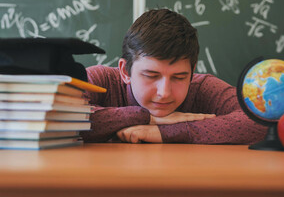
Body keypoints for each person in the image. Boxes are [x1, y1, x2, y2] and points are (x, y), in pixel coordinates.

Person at [80, 9, 267, 144]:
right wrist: (145, 118)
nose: (164, 93)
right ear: (125, 71)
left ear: (192, 72)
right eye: (151, 75)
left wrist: (170, 132)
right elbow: (55, 117)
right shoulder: (100, 80)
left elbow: (261, 121)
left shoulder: (202, 87)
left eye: (178, 78)